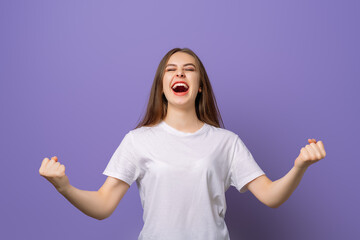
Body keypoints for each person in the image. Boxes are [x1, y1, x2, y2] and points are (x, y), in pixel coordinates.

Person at [39, 47, 327, 240]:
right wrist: (64, 187)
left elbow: (271, 196)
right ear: (162, 86)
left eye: (189, 69)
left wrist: (299, 166)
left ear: (199, 85)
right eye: (171, 70)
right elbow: (103, 205)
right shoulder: (138, 141)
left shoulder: (226, 142)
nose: (179, 73)